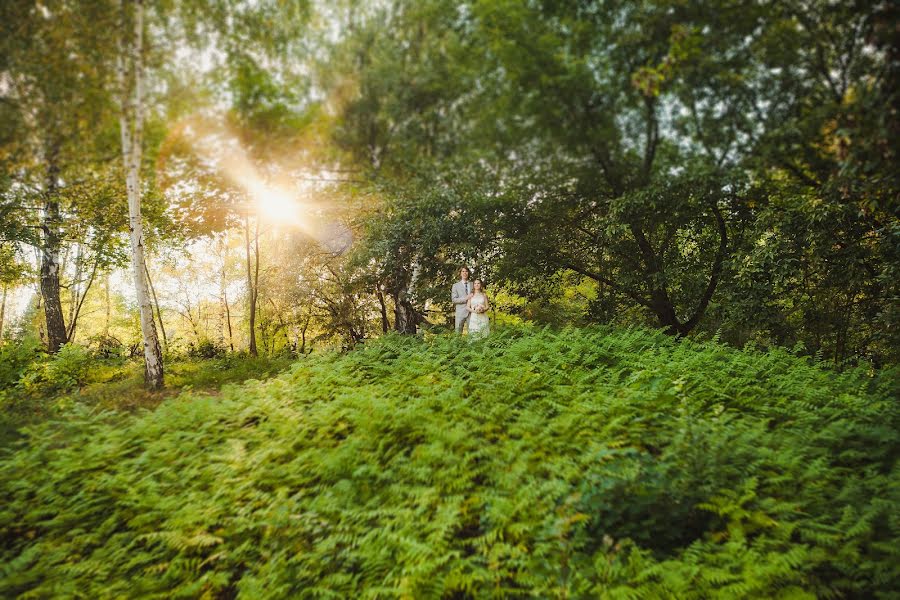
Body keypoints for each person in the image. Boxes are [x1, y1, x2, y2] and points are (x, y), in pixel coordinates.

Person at [451, 266, 473, 334]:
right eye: (463, 271)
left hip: (471, 312)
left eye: (466, 271)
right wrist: (465, 298)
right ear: (460, 273)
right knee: (458, 333)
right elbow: (454, 300)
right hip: (460, 312)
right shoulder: (455, 286)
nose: (464, 273)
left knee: (473, 333)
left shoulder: (473, 284)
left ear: (468, 273)